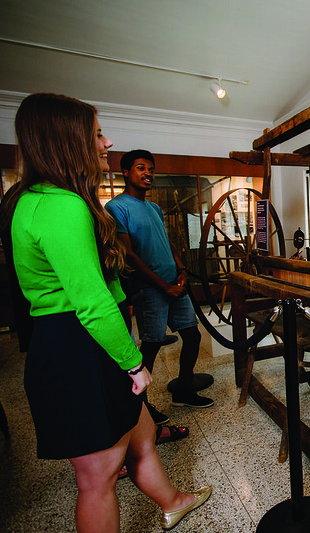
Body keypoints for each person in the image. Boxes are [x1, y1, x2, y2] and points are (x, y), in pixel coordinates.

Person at [1, 92, 210, 531]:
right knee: (97, 476)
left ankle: (173, 500)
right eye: (97, 133)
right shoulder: (61, 205)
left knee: (142, 433)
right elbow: (90, 299)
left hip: (88, 336)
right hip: (79, 344)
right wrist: (133, 362)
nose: (105, 142)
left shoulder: (44, 199)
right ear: (67, 139)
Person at [106, 149, 214, 423]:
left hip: (173, 284)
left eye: (151, 169)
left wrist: (180, 270)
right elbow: (128, 254)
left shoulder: (154, 208)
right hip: (149, 287)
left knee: (192, 337)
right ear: (126, 173)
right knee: (151, 345)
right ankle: (141, 407)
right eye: (141, 168)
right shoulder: (116, 207)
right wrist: (162, 286)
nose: (148, 173)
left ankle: (184, 390)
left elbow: (167, 242)